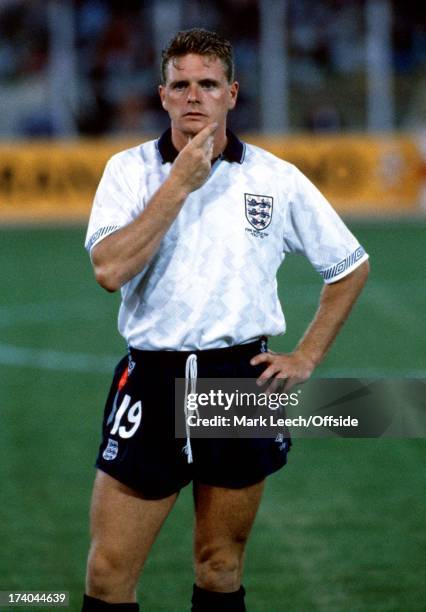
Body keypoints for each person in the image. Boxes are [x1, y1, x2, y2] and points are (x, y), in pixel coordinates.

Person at [82, 28, 369, 612]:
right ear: (162, 95)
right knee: (109, 574)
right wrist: (179, 185)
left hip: (238, 383)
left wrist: (307, 354)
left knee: (220, 566)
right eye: (180, 84)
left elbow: (350, 266)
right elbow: (109, 269)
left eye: (208, 84)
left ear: (232, 94)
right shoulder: (128, 171)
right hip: (153, 381)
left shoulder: (275, 178)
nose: (194, 96)